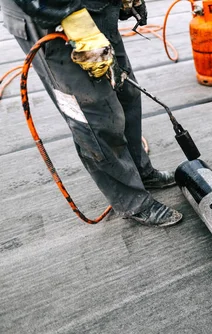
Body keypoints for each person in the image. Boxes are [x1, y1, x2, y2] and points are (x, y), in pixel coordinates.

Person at [1, 0, 183, 227]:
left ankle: (139, 169)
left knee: (126, 92)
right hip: (50, 15)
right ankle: (131, 200)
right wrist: (76, 23)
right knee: (95, 117)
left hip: (95, 9)